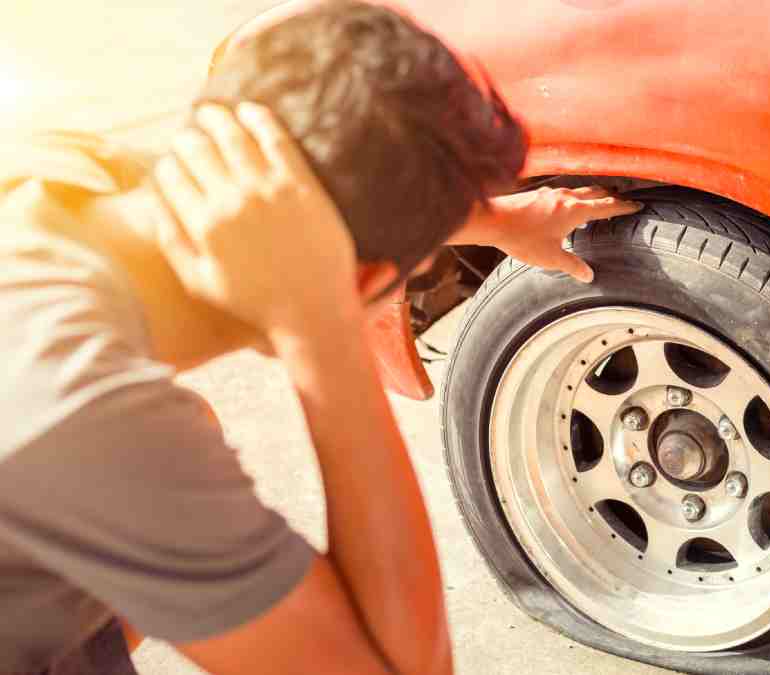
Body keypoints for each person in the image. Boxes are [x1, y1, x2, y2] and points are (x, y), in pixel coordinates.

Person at [0, 2, 641, 674]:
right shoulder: (89, 417)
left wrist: (486, 219)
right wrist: (325, 329)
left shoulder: (53, 176)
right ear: (364, 278)